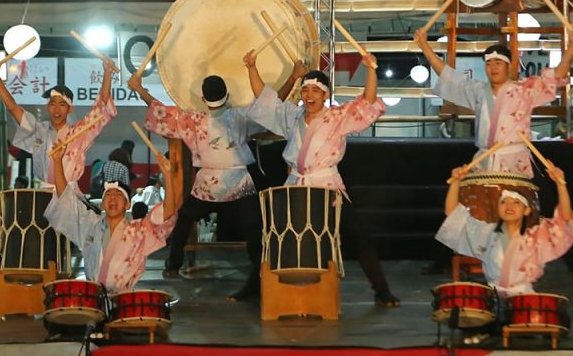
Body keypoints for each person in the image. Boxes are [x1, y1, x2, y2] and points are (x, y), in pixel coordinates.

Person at [129, 64, 304, 300]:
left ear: (202, 97)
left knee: (185, 219)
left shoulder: (193, 120)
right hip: (239, 184)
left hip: (207, 187)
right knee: (255, 230)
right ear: (227, 95)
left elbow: (160, 111)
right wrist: (293, 76)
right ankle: (261, 273)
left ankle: (173, 265)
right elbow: (269, 106)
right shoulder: (241, 117)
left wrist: (139, 89)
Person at [245, 50, 401, 307]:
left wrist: (371, 69)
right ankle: (255, 288)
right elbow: (265, 100)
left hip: (327, 187)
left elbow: (367, 101)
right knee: (273, 236)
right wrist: (251, 67)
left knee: (357, 234)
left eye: (315, 91)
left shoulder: (337, 117)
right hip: (295, 186)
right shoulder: (293, 117)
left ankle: (381, 289)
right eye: (305, 91)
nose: (309, 96)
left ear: (325, 95)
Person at [437, 161, 573, 341]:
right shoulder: (486, 233)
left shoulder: (537, 236)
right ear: (498, 209)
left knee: (555, 322)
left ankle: (494, 329)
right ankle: (493, 327)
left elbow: (565, 220)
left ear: (527, 210)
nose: (509, 206)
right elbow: (453, 214)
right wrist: (456, 182)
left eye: (516, 202)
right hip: (493, 297)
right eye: (503, 202)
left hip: (524, 298)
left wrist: (560, 183)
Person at [412, 28, 573, 177]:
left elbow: (557, 75)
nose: (493, 68)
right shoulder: (478, 90)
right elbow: (448, 75)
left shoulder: (524, 90)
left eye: (498, 63)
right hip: (484, 160)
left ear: (508, 67)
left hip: (514, 160)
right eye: (488, 64)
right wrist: (424, 46)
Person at [44, 148, 181, 294]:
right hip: (94, 297)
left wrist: (168, 177)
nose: (113, 198)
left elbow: (167, 213)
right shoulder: (91, 225)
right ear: (102, 204)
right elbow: (66, 199)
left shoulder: (138, 231)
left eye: (118, 195)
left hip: (122, 299)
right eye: (108, 194)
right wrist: (57, 162)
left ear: (128, 204)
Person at [0, 55, 117, 188]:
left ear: (70, 108)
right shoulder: (39, 130)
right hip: (43, 192)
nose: (56, 109)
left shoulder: (80, 132)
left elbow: (101, 107)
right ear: (47, 106)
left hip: (69, 193)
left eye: (62, 104)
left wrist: (107, 73)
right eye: (52, 103)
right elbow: (13, 107)